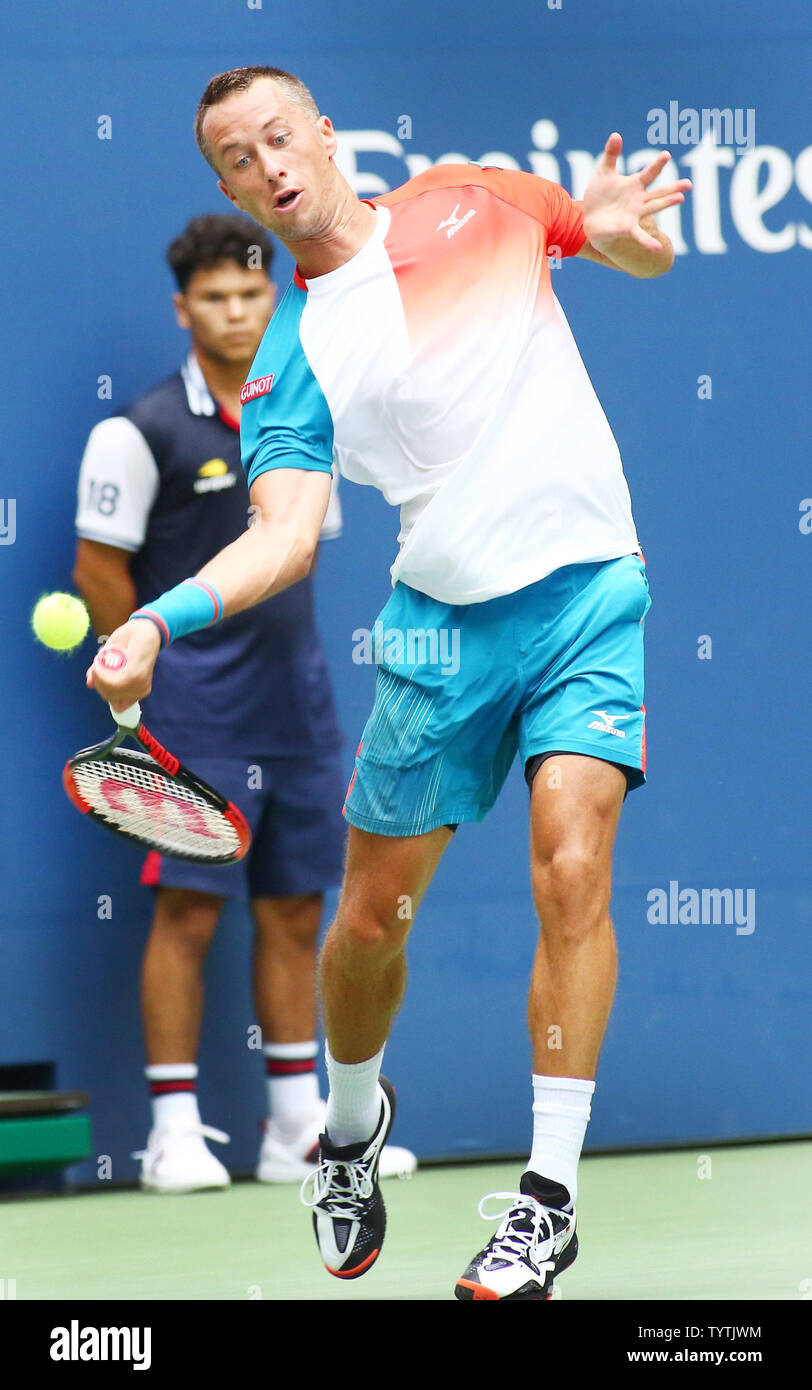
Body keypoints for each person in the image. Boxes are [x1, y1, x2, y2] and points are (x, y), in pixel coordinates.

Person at [88, 66, 691, 1296]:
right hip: (437, 629)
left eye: (279, 135)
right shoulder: (293, 358)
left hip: (588, 589)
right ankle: (348, 1126)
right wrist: (161, 613)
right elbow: (284, 533)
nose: (270, 165)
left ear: (322, 132)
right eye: (239, 159)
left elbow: (609, 241)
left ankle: (546, 1198)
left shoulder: (471, 195)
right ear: (229, 188)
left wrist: (623, 239)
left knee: (571, 859)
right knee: (366, 925)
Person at [74, 212, 416, 1194]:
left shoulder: (297, 419)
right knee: (187, 913)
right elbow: (98, 571)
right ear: (184, 308)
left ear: (273, 302)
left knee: (296, 912)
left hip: (296, 706)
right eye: (215, 296)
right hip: (195, 709)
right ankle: (172, 1132)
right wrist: (151, 674)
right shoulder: (135, 428)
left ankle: (296, 1126)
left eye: (251, 295)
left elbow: (298, 546)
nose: (234, 311)